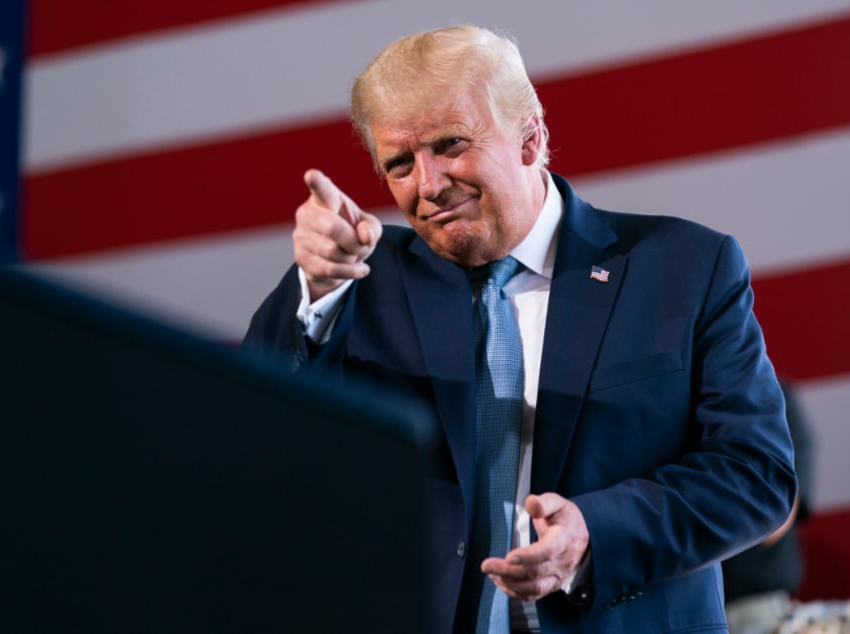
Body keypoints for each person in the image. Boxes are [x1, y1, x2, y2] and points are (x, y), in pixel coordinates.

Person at [243, 25, 797, 633]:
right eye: (399, 163)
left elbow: (756, 474)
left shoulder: (682, 267)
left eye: (450, 145)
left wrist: (593, 535)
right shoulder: (358, 284)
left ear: (531, 138)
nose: (427, 185)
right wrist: (317, 291)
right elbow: (255, 437)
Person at [722, 379, 815, 634]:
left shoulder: (773, 397)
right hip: (683, 600)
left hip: (751, 605)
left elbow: (773, 519)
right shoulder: (682, 401)